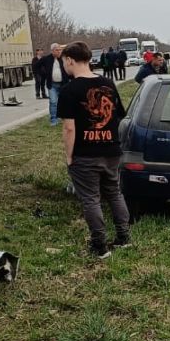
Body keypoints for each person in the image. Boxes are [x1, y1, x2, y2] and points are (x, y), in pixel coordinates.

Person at [57, 41, 131, 259]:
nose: (64, 66)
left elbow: (69, 128)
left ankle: (99, 246)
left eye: (64, 62)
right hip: (111, 152)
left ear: (70, 60)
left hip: (85, 154)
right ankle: (124, 237)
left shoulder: (69, 90)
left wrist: (69, 156)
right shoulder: (108, 83)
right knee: (114, 193)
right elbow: (119, 116)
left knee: (90, 199)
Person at [34, 43, 72, 125]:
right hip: (52, 85)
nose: (59, 52)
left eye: (60, 50)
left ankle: (63, 117)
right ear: (52, 51)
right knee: (53, 102)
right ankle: (54, 119)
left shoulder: (64, 59)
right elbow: (36, 66)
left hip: (63, 84)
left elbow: (71, 68)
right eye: (57, 50)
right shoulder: (46, 59)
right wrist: (44, 73)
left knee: (63, 102)